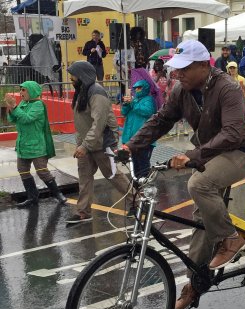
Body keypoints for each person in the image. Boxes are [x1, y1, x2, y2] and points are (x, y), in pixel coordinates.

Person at [124, 40, 245, 309]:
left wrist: (193, 156)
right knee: (203, 219)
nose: (178, 74)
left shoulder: (227, 88)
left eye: (184, 69)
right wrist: (130, 145)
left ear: (202, 66)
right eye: (176, 69)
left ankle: (231, 238)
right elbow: (161, 120)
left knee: (199, 183)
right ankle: (195, 284)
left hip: (241, 150)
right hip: (211, 150)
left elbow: (233, 134)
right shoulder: (180, 90)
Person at [65, 61, 133, 224]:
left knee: (112, 175)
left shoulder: (96, 92)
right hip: (87, 143)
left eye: (73, 75)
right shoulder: (81, 91)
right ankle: (83, 211)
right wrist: (81, 144)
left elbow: (99, 122)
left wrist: (84, 145)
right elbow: (82, 123)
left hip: (103, 142)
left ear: (82, 75)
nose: (71, 79)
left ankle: (137, 201)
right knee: (84, 177)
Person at [4, 81, 66, 207]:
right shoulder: (23, 103)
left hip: (36, 145)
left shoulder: (38, 105)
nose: (21, 92)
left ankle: (57, 194)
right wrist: (10, 108)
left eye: (24, 90)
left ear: (32, 90)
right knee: (22, 170)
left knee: (42, 171)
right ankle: (32, 197)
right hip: (23, 145)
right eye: (20, 90)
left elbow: (27, 119)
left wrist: (15, 107)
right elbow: (13, 119)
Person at [121, 80, 157, 178]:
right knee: (135, 164)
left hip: (144, 138)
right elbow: (124, 113)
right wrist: (126, 104)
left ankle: (145, 188)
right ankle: (138, 187)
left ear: (145, 88)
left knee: (143, 165)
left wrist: (132, 103)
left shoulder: (149, 100)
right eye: (135, 88)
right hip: (132, 138)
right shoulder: (135, 99)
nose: (137, 90)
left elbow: (147, 112)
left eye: (139, 87)